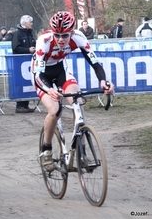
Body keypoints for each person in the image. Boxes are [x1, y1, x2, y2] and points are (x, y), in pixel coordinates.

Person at [31, 11, 114, 171]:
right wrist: (49, 90)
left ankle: (81, 152)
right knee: (55, 110)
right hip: (42, 75)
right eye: (57, 35)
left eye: (65, 36)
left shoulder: (79, 38)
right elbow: (38, 75)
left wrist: (104, 82)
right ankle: (46, 150)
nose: (61, 40)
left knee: (78, 101)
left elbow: (95, 63)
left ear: (72, 32)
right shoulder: (44, 41)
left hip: (61, 69)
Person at [11, 15, 36, 113]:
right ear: (25, 23)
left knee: (27, 83)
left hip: (29, 62)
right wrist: (28, 50)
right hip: (19, 62)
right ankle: (20, 105)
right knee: (21, 83)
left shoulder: (30, 33)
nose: (32, 24)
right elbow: (15, 48)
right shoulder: (17, 34)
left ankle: (26, 104)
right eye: (30, 22)